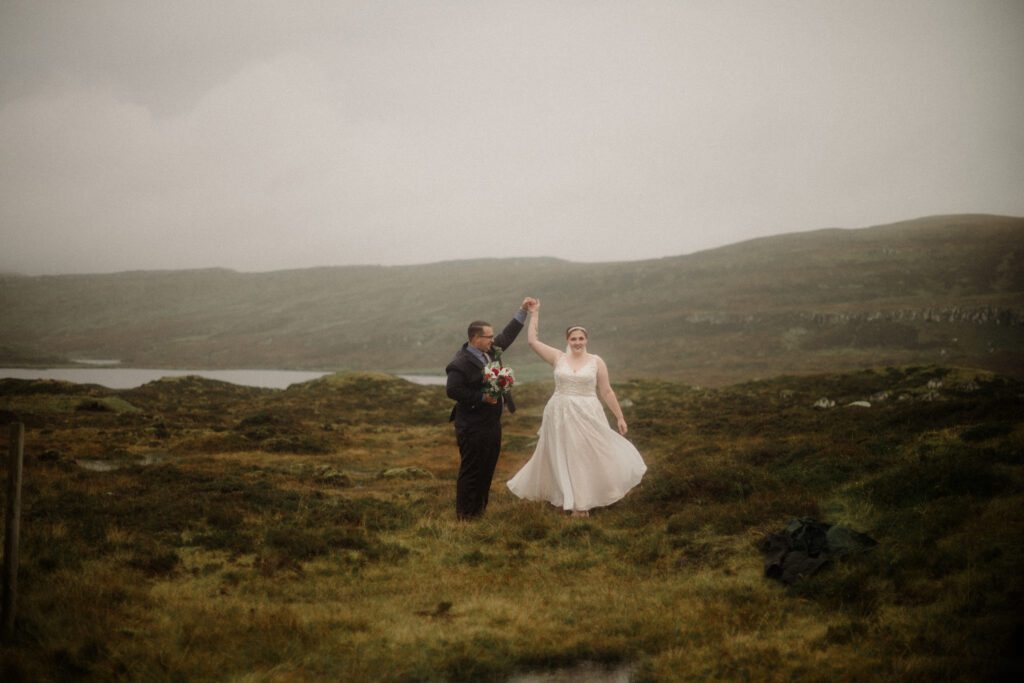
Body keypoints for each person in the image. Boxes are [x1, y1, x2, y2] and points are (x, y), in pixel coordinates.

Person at [507, 299, 646, 517]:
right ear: (567, 340)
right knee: (565, 454)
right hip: (559, 412)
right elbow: (533, 341)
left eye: (581, 338)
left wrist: (619, 417)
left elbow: (607, 391)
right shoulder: (558, 358)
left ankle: (587, 500)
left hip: (588, 412)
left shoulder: (596, 361)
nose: (577, 342)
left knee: (587, 454)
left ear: (587, 340)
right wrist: (534, 312)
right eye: (573, 339)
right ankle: (575, 503)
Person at [446, 298, 536, 520]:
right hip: (472, 426)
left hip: (491, 424)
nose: (493, 340)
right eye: (488, 337)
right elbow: (453, 391)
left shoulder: (491, 351)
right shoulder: (459, 363)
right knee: (471, 470)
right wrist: (481, 397)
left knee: (487, 468)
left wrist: (523, 311)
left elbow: (507, 335)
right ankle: (465, 517)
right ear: (476, 339)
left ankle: (479, 512)